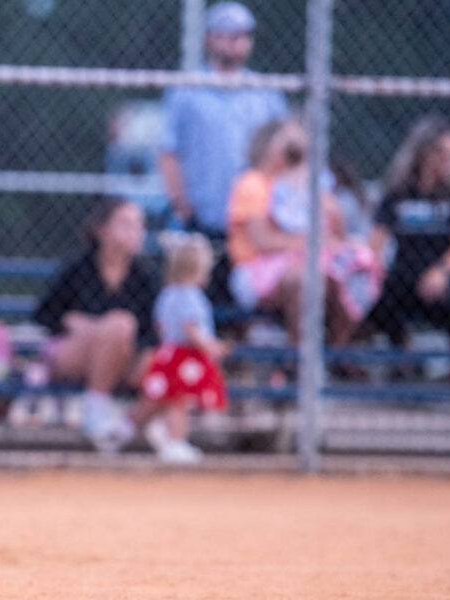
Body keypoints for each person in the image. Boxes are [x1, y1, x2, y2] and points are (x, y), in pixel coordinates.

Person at [33, 198, 162, 452]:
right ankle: (96, 411)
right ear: (101, 229)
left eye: (138, 225)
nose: (135, 231)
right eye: (125, 224)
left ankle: (121, 429)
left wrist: (103, 330)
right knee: (120, 324)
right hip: (75, 353)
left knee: (130, 335)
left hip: (124, 357)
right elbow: (44, 313)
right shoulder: (78, 267)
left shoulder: (144, 276)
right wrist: (71, 322)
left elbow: (150, 330)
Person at [158, 1, 287, 243]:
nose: (235, 42)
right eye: (226, 34)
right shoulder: (186, 90)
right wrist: (181, 205)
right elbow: (168, 152)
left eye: (242, 35)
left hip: (255, 222)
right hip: (201, 218)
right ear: (208, 38)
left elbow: (285, 155)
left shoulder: (266, 93)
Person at [226, 119, 360, 347]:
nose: (295, 150)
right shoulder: (253, 182)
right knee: (304, 278)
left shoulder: (308, 183)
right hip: (256, 270)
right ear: (268, 145)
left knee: (351, 272)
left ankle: (339, 351)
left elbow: (337, 234)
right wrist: (313, 242)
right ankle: (299, 357)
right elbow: (262, 241)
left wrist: (324, 199)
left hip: (311, 260)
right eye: (289, 144)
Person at [362, 114, 450, 352]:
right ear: (422, 152)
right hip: (406, 272)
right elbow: (377, 239)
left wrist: (442, 272)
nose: (447, 161)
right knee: (373, 295)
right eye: (440, 153)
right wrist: (371, 269)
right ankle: (402, 349)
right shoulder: (398, 191)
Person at [132, 233, 228, 463]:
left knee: (163, 399)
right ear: (196, 270)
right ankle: (175, 442)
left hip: (166, 352)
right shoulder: (191, 295)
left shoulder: (167, 293)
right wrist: (211, 346)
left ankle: (144, 430)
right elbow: (190, 328)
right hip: (184, 356)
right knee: (179, 401)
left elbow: (159, 324)